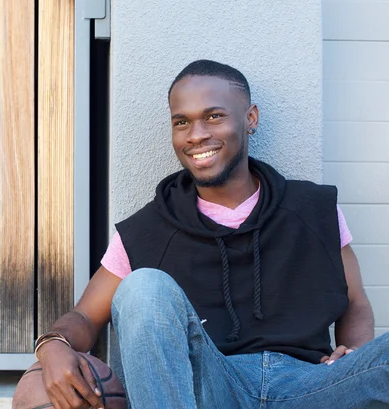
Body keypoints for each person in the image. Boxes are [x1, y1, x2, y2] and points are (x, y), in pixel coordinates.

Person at [33, 60, 389, 409]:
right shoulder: (145, 231)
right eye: (182, 122)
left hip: (310, 385)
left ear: (250, 118)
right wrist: (52, 345)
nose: (196, 134)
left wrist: (353, 355)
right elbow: (84, 317)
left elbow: (355, 302)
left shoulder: (312, 207)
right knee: (143, 287)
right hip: (209, 389)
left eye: (214, 116)